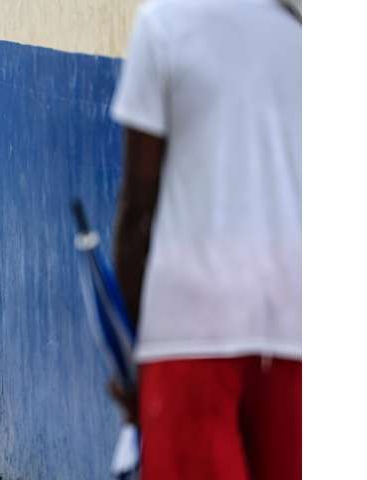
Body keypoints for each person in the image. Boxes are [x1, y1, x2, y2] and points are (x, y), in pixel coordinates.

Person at [110, 1, 301, 479]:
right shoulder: (303, 30)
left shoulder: (164, 25)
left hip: (187, 329)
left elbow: (137, 209)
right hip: (297, 323)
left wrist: (134, 349)